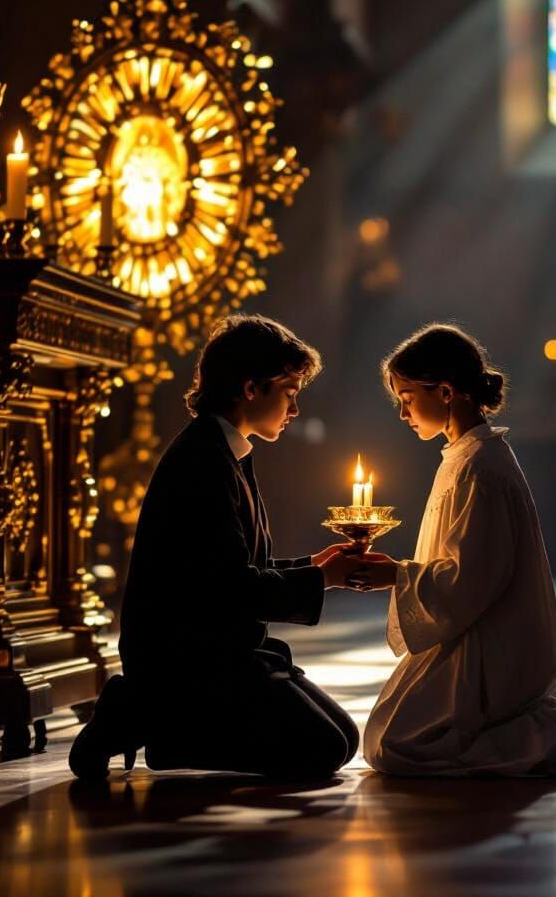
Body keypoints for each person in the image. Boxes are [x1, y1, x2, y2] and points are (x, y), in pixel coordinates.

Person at [353, 324, 556, 778]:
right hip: (466, 632)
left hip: (490, 643)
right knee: (387, 739)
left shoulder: (480, 467)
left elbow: (473, 578)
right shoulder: (463, 456)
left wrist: (396, 575)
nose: (402, 413)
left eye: (408, 398)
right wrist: (399, 575)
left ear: (446, 392)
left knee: (404, 746)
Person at [70, 315, 364, 781]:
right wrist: (321, 578)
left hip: (223, 649)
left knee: (343, 738)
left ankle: (156, 715)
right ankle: (146, 716)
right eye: (289, 393)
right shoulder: (202, 462)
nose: (295, 409)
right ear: (251, 388)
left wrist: (316, 566)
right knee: (321, 748)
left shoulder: (227, 452)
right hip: (187, 661)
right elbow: (231, 588)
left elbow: (236, 566)